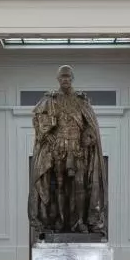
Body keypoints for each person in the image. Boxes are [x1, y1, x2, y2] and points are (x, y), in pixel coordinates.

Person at [29, 65, 107, 237]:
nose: (65, 79)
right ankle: (60, 220)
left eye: (68, 76)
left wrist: (88, 136)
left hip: (77, 149)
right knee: (59, 185)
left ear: (72, 79)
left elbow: (90, 126)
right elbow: (37, 119)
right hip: (58, 149)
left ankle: (80, 221)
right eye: (62, 77)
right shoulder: (51, 99)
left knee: (80, 185)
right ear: (58, 79)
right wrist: (47, 135)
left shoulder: (81, 101)